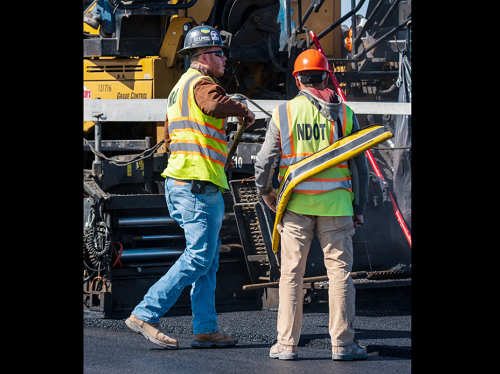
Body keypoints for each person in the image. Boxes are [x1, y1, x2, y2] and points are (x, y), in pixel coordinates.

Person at [125, 25, 256, 350]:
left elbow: (169, 136)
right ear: (203, 57)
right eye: (219, 53)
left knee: (207, 259)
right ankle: (146, 312)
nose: (224, 59)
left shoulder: (177, 89)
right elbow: (213, 105)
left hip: (185, 182)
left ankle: (205, 328)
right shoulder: (202, 84)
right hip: (197, 184)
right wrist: (242, 111)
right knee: (199, 257)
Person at [254, 49, 369, 361]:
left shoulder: (283, 114)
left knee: (291, 274)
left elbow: (265, 161)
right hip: (338, 206)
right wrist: (359, 207)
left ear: (297, 79)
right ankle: (343, 345)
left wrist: (267, 192)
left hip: (296, 207)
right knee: (340, 274)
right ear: (326, 76)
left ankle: (286, 345)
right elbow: (360, 167)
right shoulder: (345, 114)